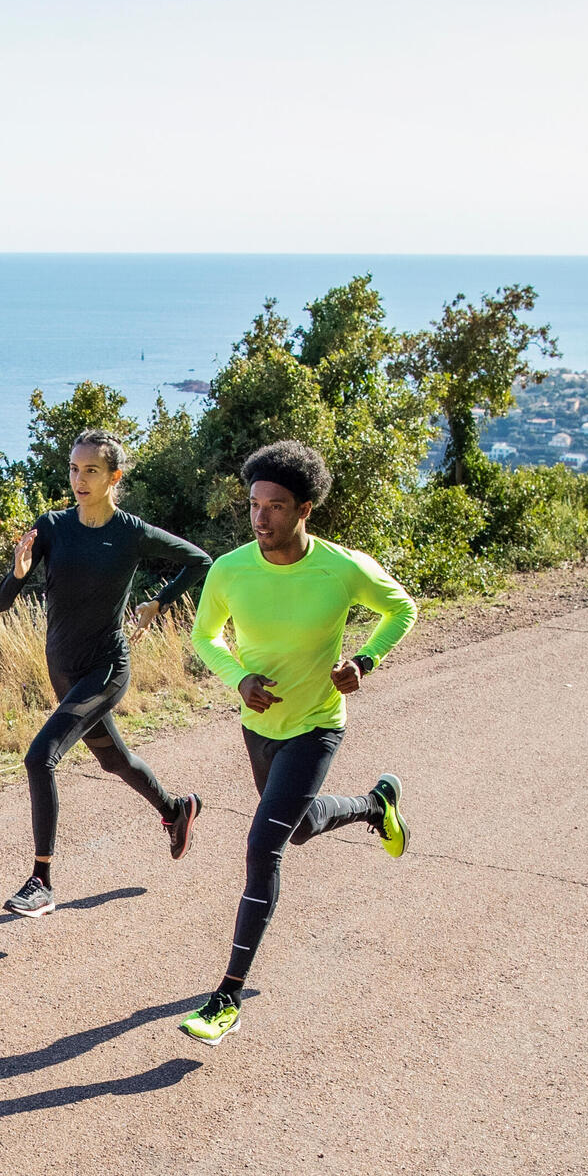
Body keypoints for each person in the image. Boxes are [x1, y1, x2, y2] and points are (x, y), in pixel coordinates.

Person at [175, 439, 415, 1046]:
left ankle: (226, 996)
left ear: (305, 509)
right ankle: (374, 805)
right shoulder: (230, 570)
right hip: (258, 727)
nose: (261, 518)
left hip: (317, 725)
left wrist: (365, 660)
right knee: (300, 827)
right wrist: (239, 679)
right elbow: (205, 638)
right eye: (255, 504)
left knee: (263, 844)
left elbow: (401, 609)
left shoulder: (342, 567)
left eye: (277, 507)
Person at [0, 431, 212, 918]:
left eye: (91, 470)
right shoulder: (52, 526)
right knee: (114, 760)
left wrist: (159, 601)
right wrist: (20, 570)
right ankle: (176, 810)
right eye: (73, 469)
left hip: (106, 667)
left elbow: (200, 560)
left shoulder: (131, 532)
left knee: (39, 757)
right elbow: (2, 602)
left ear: (114, 477)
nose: (79, 479)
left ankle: (41, 881)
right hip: (62, 667)